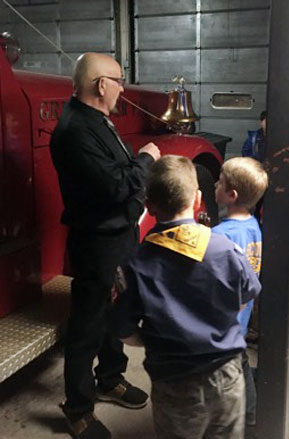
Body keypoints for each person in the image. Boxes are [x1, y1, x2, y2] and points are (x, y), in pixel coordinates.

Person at [50, 52, 160, 439]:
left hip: (119, 234)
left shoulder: (98, 121)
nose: (122, 89)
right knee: (88, 324)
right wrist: (145, 159)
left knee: (117, 311)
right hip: (97, 243)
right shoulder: (76, 131)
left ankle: (110, 377)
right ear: (101, 85)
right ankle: (78, 409)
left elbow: (117, 176)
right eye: (119, 81)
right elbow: (116, 184)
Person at [111, 155, 261, 439]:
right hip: (228, 375)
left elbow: (123, 331)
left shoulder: (135, 264)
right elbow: (245, 299)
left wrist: (153, 339)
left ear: (148, 206)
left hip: (174, 382)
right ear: (198, 199)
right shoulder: (225, 249)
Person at [212, 157, 269, 426]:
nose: (215, 184)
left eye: (219, 182)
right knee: (240, 359)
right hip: (240, 319)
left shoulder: (220, 235)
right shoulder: (254, 226)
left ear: (231, 195)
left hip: (222, 323)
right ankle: (250, 414)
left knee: (228, 372)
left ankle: (241, 418)